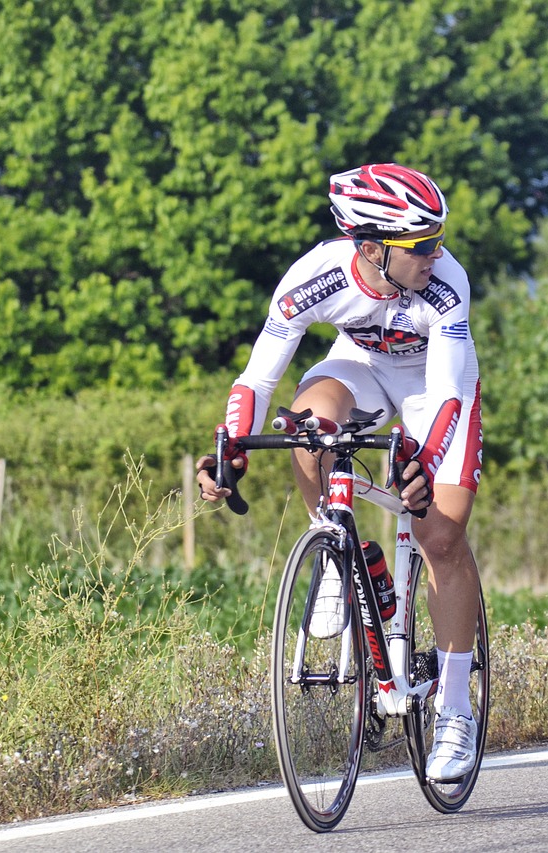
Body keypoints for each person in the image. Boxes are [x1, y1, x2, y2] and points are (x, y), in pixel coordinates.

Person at [196, 163, 483, 782]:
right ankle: (334, 551)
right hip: (359, 367)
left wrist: (422, 464)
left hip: (436, 387)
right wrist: (230, 447)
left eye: (438, 239)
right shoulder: (315, 277)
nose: (437, 253)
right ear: (373, 248)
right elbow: (257, 379)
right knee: (307, 421)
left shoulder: (446, 282)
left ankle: (455, 708)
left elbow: (445, 393)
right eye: (422, 245)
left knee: (442, 536)